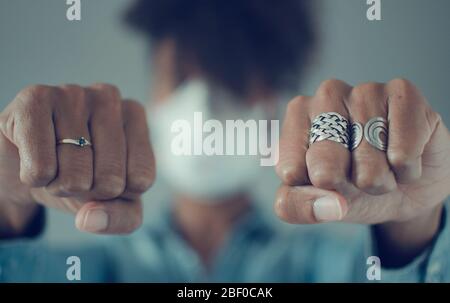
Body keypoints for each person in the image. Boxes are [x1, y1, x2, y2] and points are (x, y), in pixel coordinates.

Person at [0, 0, 449, 282]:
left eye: (230, 80)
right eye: (179, 78)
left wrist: (411, 227)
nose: (202, 103)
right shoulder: (91, 271)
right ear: (151, 98)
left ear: (272, 106)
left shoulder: (331, 266)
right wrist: (8, 205)